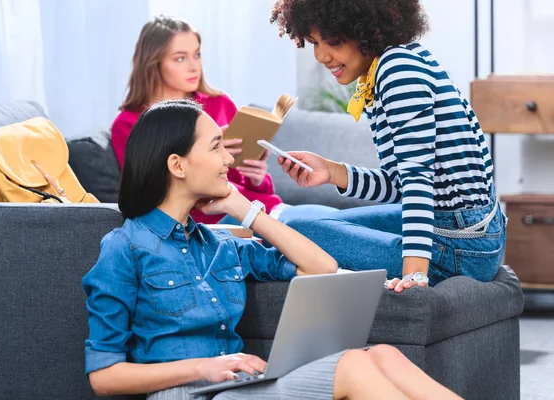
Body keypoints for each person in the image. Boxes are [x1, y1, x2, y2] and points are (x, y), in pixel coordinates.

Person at [83, 100, 462, 400]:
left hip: (237, 387)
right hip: (185, 392)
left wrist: (243, 208)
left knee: (382, 355)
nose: (229, 160)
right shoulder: (125, 247)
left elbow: (321, 267)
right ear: (177, 165)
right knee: (353, 368)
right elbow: (104, 376)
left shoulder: (221, 245)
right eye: (217, 147)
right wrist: (203, 367)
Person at [270, 0, 507, 293]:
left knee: (295, 232)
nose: (321, 55)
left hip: (460, 246)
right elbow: (401, 185)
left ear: (367, 30)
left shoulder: (397, 71)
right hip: (461, 232)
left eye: (332, 41)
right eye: (314, 42)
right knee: (307, 220)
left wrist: (415, 277)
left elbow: (418, 181)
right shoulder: (393, 65)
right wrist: (331, 171)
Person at [111, 16, 334, 225]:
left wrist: (257, 178)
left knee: (340, 220)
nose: (193, 66)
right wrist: (206, 151)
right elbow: (151, 193)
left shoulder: (219, 103)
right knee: (326, 228)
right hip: (224, 221)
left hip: (266, 207)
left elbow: (259, 190)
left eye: (196, 55)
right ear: (153, 63)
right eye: (180, 58)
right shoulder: (131, 124)